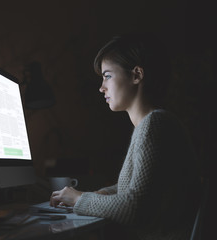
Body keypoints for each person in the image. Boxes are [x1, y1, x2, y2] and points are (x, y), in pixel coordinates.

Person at [50, 33, 200, 239]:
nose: (101, 87)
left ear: (137, 75)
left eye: (108, 76)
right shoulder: (154, 123)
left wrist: (78, 199)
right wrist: (96, 195)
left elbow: (133, 208)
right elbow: (132, 189)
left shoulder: (154, 124)